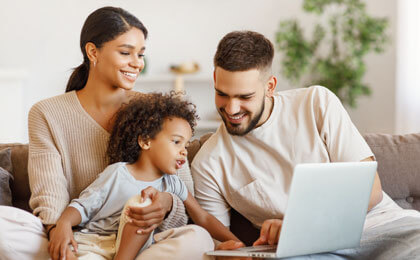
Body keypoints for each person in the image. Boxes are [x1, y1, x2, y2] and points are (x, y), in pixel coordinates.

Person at [0, 7, 213, 260]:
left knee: (198, 239)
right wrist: (59, 230)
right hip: (80, 239)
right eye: (126, 52)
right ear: (93, 52)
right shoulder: (47, 112)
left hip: (146, 240)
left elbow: (185, 192)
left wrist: (165, 204)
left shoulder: (156, 111)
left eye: (141, 54)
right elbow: (50, 194)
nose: (137, 63)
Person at [191, 30, 420, 259]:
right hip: (308, 252)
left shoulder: (316, 103)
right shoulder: (208, 163)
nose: (231, 109)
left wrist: (297, 225)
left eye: (245, 97)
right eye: (222, 94)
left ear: (270, 86)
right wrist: (225, 251)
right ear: (214, 80)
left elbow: (371, 191)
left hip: (385, 227)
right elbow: (222, 243)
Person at [48, 93, 240, 260]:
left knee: (200, 237)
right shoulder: (117, 173)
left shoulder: (173, 183)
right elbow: (82, 206)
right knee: (143, 201)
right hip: (96, 245)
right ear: (145, 141)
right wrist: (63, 224)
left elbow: (203, 218)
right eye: (176, 142)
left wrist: (239, 243)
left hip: (142, 250)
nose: (184, 152)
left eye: (186, 146)